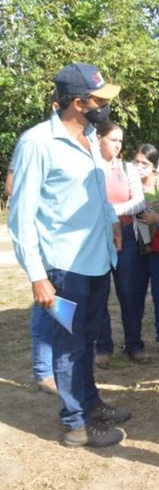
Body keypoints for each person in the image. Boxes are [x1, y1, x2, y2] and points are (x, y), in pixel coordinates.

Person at [9, 62, 130, 448]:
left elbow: (96, 193)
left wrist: (112, 220)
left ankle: (90, 402)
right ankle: (75, 423)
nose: (105, 104)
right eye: (99, 99)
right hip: (63, 267)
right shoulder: (37, 143)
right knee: (68, 344)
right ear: (77, 103)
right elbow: (21, 215)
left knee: (88, 338)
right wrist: (37, 275)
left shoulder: (92, 137)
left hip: (95, 260)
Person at [94, 121, 146, 370]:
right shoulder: (89, 167)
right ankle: (103, 347)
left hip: (126, 236)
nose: (118, 145)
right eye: (113, 139)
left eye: (120, 141)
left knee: (129, 294)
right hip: (96, 239)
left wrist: (110, 212)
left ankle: (134, 345)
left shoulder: (127, 168)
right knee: (99, 294)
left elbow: (139, 202)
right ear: (99, 138)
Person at [7, 143, 56, 394]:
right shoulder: (35, 144)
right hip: (42, 245)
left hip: (62, 248)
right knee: (45, 309)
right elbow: (11, 187)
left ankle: (51, 368)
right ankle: (44, 372)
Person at [132, 143, 159, 360]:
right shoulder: (129, 184)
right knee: (134, 294)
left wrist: (156, 219)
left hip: (158, 247)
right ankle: (134, 338)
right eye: (136, 162)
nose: (139, 167)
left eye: (144, 163)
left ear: (154, 167)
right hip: (135, 246)